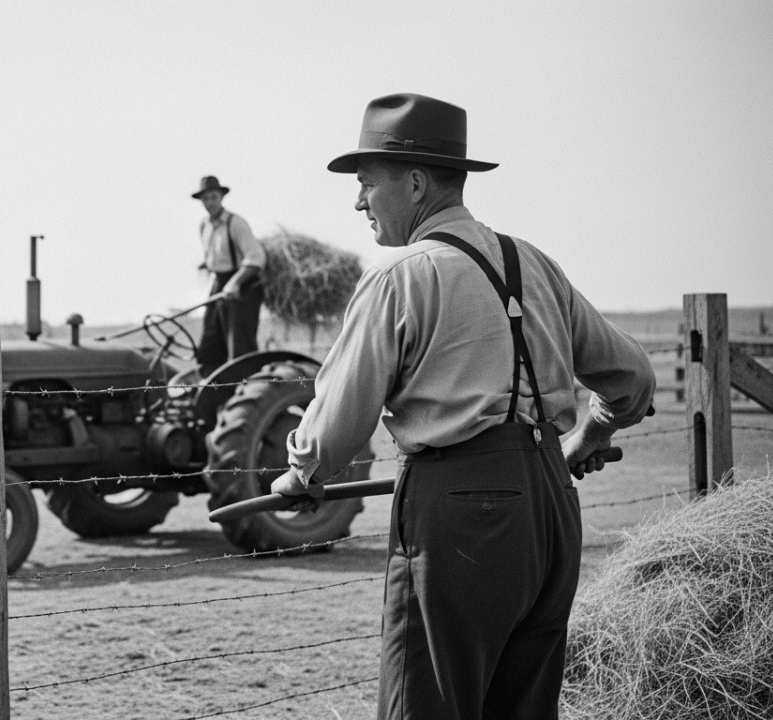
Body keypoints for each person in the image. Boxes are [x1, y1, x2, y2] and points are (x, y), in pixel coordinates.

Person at [271, 93, 656, 719]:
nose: (359, 201)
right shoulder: (535, 263)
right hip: (552, 512)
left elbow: (336, 426)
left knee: (426, 705)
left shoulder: (400, 276)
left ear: (417, 183)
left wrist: (302, 475)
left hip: (460, 516)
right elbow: (633, 378)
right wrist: (585, 437)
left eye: (369, 184)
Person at [192, 175, 266, 376]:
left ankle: (246, 390)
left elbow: (256, 258)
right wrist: (206, 265)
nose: (210, 203)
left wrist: (234, 282)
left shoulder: (235, 223)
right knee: (210, 342)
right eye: (205, 199)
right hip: (220, 283)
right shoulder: (204, 226)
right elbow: (214, 256)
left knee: (239, 347)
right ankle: (214, 392)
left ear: (221, 197)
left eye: (213, 197)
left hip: (243, 286)